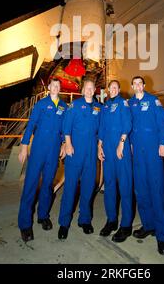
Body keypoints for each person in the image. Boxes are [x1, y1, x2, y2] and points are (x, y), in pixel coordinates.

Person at [18, 77, 67, 242]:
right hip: (38, 149)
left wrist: (64, 144)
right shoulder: (41, 104)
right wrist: (24, 146)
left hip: (53, 152)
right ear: (49, 88)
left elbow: (64, 130)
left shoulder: (63, 106)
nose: (55, 88)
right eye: (53, 85)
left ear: (59, 88)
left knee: (47, 185)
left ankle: (43, 216)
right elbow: (31, 125)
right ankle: (25, 224)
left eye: (57, 86)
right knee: (31, 184)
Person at [129, 76, 164, 255]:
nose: (138, 86)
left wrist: (163, 143)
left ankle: (162, 236)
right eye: (135, 84)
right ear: (132, 86)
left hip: (153, 151)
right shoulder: (129, 103)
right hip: (137, 152)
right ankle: (148, 225)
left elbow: (162, 122)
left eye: (140, 83)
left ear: (144, 86)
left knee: (157, 190)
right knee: (141, 190)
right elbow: (127, 126)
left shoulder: (153, 100)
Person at [58, 78, 101, 240]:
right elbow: (66, 126)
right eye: (87, 88)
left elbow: (101, 130)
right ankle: (64, 223)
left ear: (95, 90)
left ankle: (85, 220)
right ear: (82, 91)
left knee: (88, 187)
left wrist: (100, 147)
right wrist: (67, 143)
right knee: (70, 187)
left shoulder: (99, 107)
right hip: (75, 151)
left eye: (92, 88)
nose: (89, 90)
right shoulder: (74, 105)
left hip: (91, 153)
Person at [98, 80, 133, 242]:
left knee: (125, 186)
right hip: (108, 151)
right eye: (110, 88)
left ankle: (126, 225)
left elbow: (127, 124)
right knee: (109, 186)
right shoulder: (105, 107)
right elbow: (102, 128)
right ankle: (111, 220)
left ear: (118, 89)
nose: (112, 90)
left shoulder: (123, 103)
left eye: (114, 88)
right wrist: (99, 146)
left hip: (121, 150)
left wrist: (121, 143)